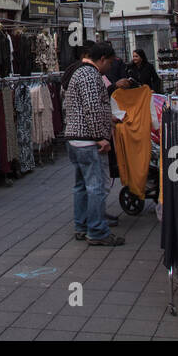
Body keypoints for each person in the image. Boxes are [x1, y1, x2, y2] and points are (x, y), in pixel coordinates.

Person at [62, 42, 124, 246]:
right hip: (87, 140)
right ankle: (96, 230)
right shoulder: (89, 74)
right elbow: (92, 108)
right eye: (111, 62)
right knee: (95, 186)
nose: (111, 67)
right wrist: (101, 137)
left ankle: (82, 226)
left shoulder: (78, 72)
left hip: (75, 138)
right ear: (103, 59)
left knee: (81, 186)